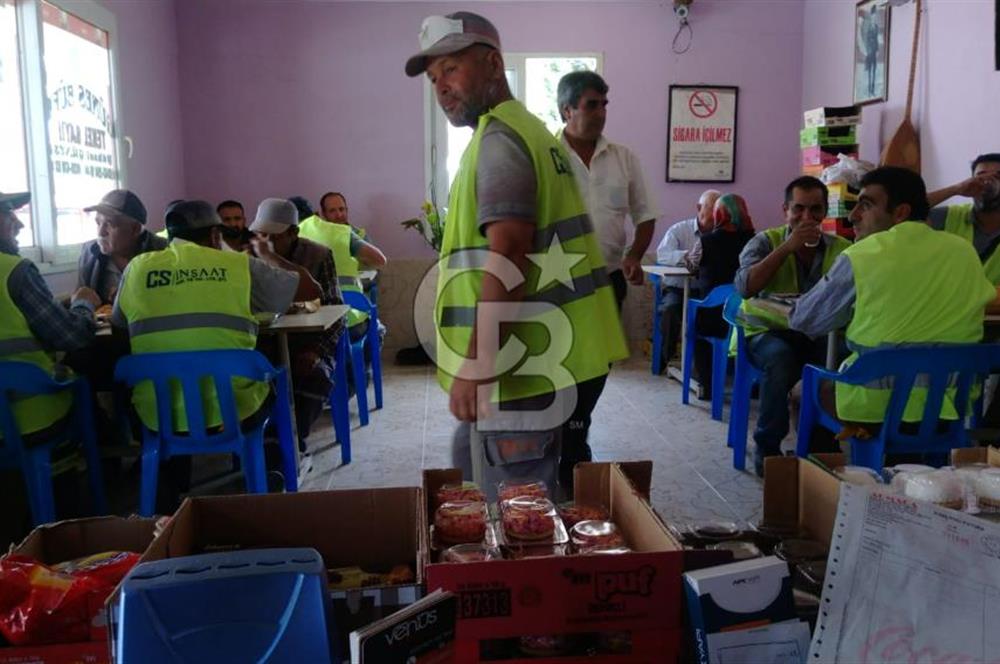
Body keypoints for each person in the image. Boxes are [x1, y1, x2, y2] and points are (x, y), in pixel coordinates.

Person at [405, 11, 628, 494]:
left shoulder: (500, 140)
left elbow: (508, 252)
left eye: (451, 69)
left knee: (518, 505)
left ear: (492, 64)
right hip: (540, 355)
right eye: (434, 78)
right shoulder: (528, 130)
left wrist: (478, 362)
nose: (441, 87)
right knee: (478, 468)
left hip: (521, 363)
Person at [111, 200, 321, 506]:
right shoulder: (236, 265)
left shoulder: (136, 268)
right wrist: (267, 254)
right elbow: (310, 290)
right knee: (275, 377)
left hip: (159, 414)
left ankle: (164, 493)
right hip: (233, 411)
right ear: (214, 235)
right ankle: (273, 470)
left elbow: (119, 326)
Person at [789, 167, 996, 436]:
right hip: (949, 407)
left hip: (875, 406)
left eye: (865, 205)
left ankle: (835, 461)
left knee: (802, 391)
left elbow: (804, 321)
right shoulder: (964, 251)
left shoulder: (862, 255)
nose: (853, 216)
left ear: (900, 213)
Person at [734, 176, 851, 476]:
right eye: (799, 209)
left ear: (825, 212)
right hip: (766, 332)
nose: (806, 217)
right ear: (785, 210)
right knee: (781, 360)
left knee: (840, 358)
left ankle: (819, 445)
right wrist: (787, 248)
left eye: (815, 209)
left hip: (819, 334)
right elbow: (746, 287)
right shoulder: (764, 241)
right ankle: (768, 447)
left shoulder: (841, 249)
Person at [0, 190, 99, 437]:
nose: (20, 224)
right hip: (26, 418)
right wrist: (84, 304)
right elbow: (72, 337)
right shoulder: (15, 270)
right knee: (87, 379)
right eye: (9, 214)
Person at [556, 70, 658, 311]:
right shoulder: (547, 155)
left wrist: (634, 256)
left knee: (610, 338)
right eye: (591, 105)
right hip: (557, 278)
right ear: (567, 110)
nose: (601, 113)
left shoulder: (623, 158)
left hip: (609, 277)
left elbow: (646, 215)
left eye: (604, 105)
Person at [249, 198, 344, 446]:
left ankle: (291, 440)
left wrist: (316, 350)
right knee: (250, 377)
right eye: (261, 234)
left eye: (274, 236)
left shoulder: (319, 255)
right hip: (264, 343)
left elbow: (335, 310)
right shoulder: (248, 256)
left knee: (315, 375)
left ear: (294, 233)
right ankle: (266, 441)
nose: (265, 242)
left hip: (307, 342)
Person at [685, 194, 755, 399]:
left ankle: (707, 384)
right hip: (745, 316)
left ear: (718, 214)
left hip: (713, 317)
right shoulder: (756, 241)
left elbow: (691, 266)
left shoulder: (705, 241)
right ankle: (751, 385)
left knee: (696, 327)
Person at [299, 193, 387, 340]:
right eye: (332, 211)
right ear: (323, 214)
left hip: (314, 319)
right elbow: (380, 261)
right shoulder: (345, 235)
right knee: (377, 329)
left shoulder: (301, 231)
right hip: (346, 318)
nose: (339, 215)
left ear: (347, 210)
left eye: (342, 209)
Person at [654, 189, 720, 371]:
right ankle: (666, 358)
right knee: (670, 309)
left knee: (717, 313)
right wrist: (688, 257)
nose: (715, 215)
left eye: (719, 210)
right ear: (699, 208)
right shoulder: (679, 230)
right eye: (711, 208)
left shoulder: (720, 235)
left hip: (705, 291)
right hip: (677, 288)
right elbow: (662, 254)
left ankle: (705, 366)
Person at [77, 189, 168, 306]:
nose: (101, 232)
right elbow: (82, 296)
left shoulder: (164, 253)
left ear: (135, 229)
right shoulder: (89, 252)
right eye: (98, 223)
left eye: (109, 224)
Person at [927, 153, 1000, 283]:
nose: (988, 182)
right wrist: (955, 189)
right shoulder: (950, 216)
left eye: (998, 176)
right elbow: (903, 210)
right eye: (980, 176)